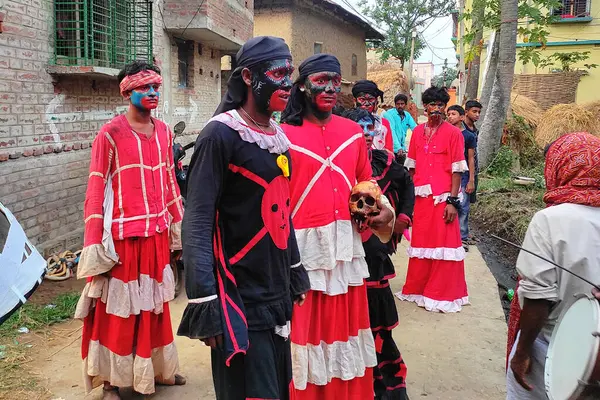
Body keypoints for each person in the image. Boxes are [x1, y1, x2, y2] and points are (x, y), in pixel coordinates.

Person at [176, 36, 311, 400]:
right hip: (237, 293)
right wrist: (204, 299)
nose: (287, 83)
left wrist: (294, 271)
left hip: (273, 289)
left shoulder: (277, 136)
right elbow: (198, 221)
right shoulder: (220, 135)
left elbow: (281, 213)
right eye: (278, 73)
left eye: (290, 74)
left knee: (277, 388)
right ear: (249, 77)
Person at [281, 54, 396, 399]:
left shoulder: (351, 132)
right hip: (302, 250)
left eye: (335, 80)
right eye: (320, 80)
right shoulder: (281, 135)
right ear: (302, 86)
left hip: (345, 250)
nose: (330, 87)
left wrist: (385, 213)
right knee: (303, 333)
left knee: (345, 327)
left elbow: (367, 183)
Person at [75, 61, 186, 399]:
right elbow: (95, 190)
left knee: (154, 309)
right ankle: (113, 381)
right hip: (122, 240)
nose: (152, 92)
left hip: (155, 236)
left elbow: (170, 181)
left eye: (155, 86)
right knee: (119, 313)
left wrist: (176, 230)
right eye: (144, 87)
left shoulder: (166, 132)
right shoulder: (109, 134)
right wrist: (94, 245)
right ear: (127, 91)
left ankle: (159, 372)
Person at [507, 132, 600, 400]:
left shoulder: (550, 219)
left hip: (552, 345)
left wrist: (522, 353)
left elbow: (538, 298)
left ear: (558, 167)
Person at [342, 107, 414, 400]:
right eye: (360, 129)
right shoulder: (336, 162)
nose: (367, 135)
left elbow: (407, 182)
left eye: (371, 129)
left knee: (377, 325)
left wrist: (403, 218)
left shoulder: (383, 162)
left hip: (372, 251)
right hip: (341, 253)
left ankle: (385, 388)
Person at [397, 86, 469, 313]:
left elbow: (457, 170)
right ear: (424, 107)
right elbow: (411, 168)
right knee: (422, 244)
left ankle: (441, 293)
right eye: (432, 105)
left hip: (443, 198)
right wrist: (408, 201)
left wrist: (452, 201)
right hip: (421, 199)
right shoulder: (417, 133)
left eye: (440, 106)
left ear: (445, 108)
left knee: (444, 245)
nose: (436, 109)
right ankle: (418, 289)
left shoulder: (454, 134)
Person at [447, 104, 477, 251]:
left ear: (461, 117)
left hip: (463, 174)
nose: (450, 117)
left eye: (453, 114)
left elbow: (471, 159)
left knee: (463, 206)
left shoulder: (469, 136)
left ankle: (462, 237)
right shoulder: (445, 133)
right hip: (448, 173)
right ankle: (448, 236)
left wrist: (471, 180)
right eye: (449, 114)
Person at [352, 79, 394, 153]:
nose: (367, 104)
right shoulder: (348, 122)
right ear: (354, 101)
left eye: (371, 99)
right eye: (362, 99)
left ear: (376, 101)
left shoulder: (384, 124)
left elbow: (390, 153)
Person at [462, 100, 482, 243]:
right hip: (463, 171)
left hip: (473, 170)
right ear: (466, 111)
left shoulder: (474, 130)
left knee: (468, 203)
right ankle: (461, 236)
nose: (477, 115)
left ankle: (465, 231)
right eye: (474, 111)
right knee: (462, 203)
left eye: (479, 112)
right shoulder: (461, 130)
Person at [383, 93, 418, 162]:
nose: (400, 106)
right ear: (395, 104)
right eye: (398, 104)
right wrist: (398, 147)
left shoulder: (407, 115)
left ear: (405, 104)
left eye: (402, 104)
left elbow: (415, 129)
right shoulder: (389, 114)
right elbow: (391, 132)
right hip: (391, 149)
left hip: (401, 149)